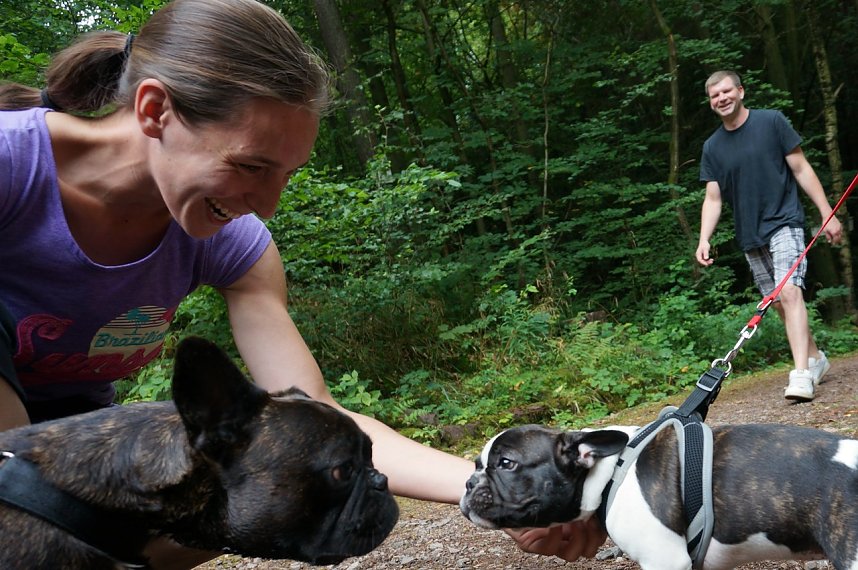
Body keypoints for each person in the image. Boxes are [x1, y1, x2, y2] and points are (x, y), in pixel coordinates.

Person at [0, 0, 606, 567]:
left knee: (258, 492)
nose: (265, 206)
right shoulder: (12, 170)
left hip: (73, 455)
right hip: (26, 462)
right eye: (251, 166)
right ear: (155, 111)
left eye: (285, 174)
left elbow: (313, 417)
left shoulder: (228, 241)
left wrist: (498, 496)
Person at [695, 70, 843, 402]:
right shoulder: (712, 147)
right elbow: (713, 198)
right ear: (711, 102)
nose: (722, 98)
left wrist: (827, 213)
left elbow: (802, 168)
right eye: (714, 95)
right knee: (776, 301)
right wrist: (704, 238)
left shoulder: (772, 122)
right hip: (751, 234)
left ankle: (801, 374)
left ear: (741, 91)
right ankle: (816, 358)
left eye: (726, 91)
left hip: (786, 221)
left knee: (789, 292)